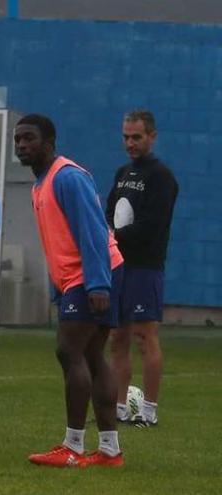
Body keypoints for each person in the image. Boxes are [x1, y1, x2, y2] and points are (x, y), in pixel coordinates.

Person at [14, 114, 124, 467]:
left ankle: (72, 446)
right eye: (18, 140)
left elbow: (92, 230)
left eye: (28, 138)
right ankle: (109, 450)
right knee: (92, 356)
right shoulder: (41, 183)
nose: (21, 145)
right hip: (81, 278)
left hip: (94, 275)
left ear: (50, 142)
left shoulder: (68, 177)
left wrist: (97, 283)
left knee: (69, 351)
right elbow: (57, 241)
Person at [106, 110, 178, 428]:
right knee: (117, 337)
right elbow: (110, 211)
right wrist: (107, 235)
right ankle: (120, 407)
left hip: (145, 267)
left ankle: (148, 410)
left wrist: (116, 235)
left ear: (152, 136)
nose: (130, 143)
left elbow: (152, 225)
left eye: (136, 137)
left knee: (144, 336)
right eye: (126, 137)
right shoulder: (123, 173)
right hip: (119, 266)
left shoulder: (161, 176)